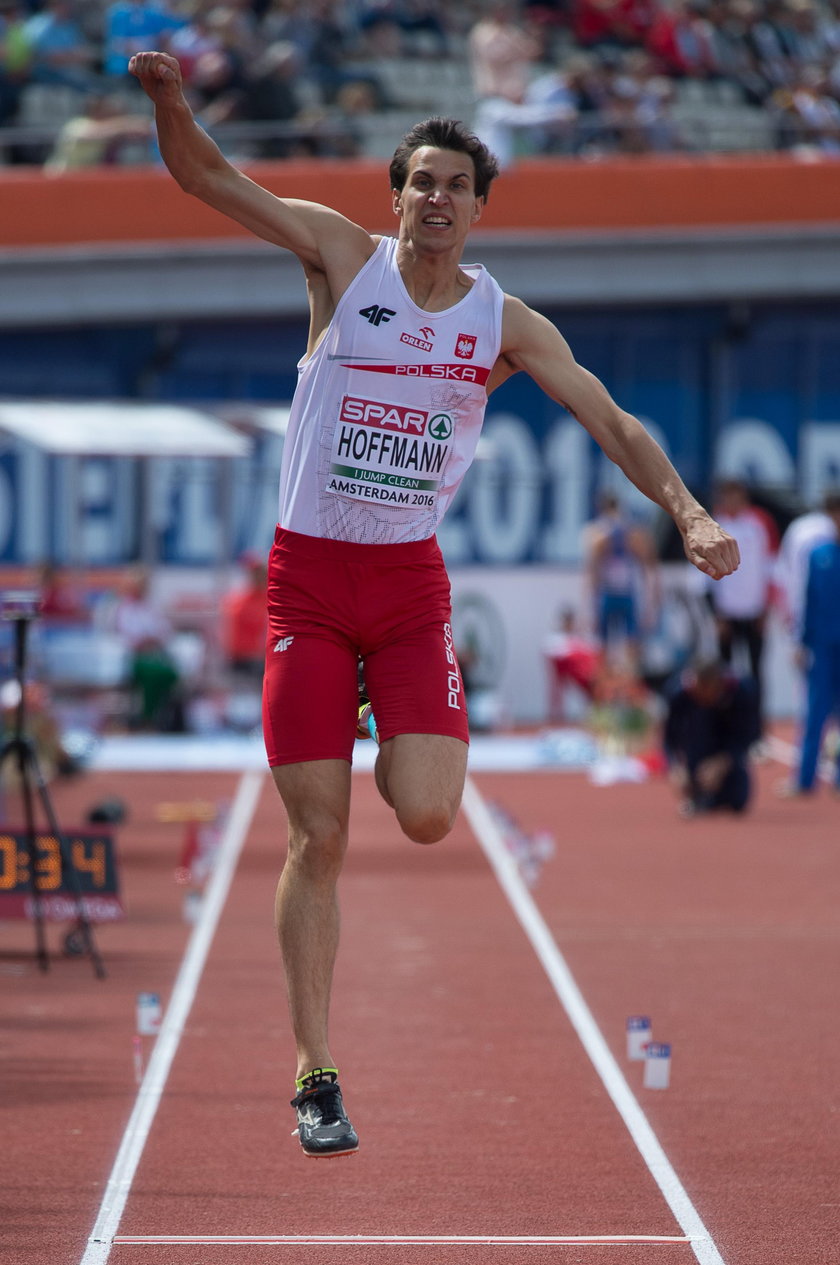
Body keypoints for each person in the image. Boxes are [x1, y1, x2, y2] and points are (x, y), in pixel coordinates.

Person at [130, 47, 740, 1159]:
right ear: (397, 194)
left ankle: (372, 709)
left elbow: (610, 421)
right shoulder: (338, 260)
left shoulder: (503, 322)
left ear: (479, 206)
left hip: (409, 590)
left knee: (425, 812)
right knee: (319, 836)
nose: (436, 199)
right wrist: (171, 104)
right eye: (421, 181)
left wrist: (688, 511)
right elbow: (210, 182)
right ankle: (315, 1068)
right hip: (309, 584)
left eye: (457, 185)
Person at [707, 478, 778, 734]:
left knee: (756, 672)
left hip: (754, 610)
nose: (731, 502)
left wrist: (766, 607)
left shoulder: (759, 523)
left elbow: (770, 567)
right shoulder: (716, 525)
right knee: (724, 675)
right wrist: (717, 615)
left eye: (735, 496)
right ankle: (724, 727)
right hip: (727, 612)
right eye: (727, 497)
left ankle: (756, 730)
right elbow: (706, 578)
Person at [783, 495, 840, 795]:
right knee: (816, 710)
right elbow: (804, 599)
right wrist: (799, 641)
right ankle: (805, 779)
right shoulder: (818, 554)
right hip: (822, 644)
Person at [663, 657, 761, 817]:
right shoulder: (678, 692)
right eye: (698, 689)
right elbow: (669, 737)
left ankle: (714, 795)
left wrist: (723, 762)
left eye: (707, 690)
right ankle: (698, 794)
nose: (702, 696)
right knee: (694, 781)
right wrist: (675, 767)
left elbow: (749, 735)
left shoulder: (743, 690)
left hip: (728, 739)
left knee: (739, 801)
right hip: (697, 738)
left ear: (719, 684)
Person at [584, 490, 660, 670]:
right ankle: (610, 685)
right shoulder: (618, 533)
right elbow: (649, 568)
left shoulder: (602, 533)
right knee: (617, 644)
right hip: (617, 594)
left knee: (620, 644)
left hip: (616, 594)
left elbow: (592, 572)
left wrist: (590, 607)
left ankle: (624, 685)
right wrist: (651, 603)